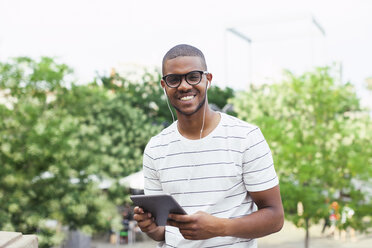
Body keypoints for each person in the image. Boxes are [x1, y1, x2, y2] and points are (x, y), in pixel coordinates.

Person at [133, 44, 284, 247]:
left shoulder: (246, 137)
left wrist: (220, 227)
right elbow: (164, 232)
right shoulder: (155, 149)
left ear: (208, 79)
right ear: (164, 85)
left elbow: (275, 218)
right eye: (174, 79)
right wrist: (151, 228)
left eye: (193, 76)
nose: (184, 86)